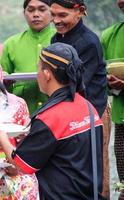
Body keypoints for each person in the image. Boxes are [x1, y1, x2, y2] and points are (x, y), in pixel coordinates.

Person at [0, 42, 105, 199]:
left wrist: (2, 138)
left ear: (47, 74)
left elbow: (21, 165)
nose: (37, 74)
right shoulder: (86, 105)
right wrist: (32, 136)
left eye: (38, 68)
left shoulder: (49, 117)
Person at [50, 1, 110, 198]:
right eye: (53, 14)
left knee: (92, 174)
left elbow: (73, 84)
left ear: (79, 12)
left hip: (90, 117)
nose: (56, 20)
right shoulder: (56, 38)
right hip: (67, 113)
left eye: (62, 15)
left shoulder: (89, 42)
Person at [0, 0, 55, 114]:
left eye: (42, 9)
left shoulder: (61, 40)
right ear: (24, 13)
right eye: (30, 10)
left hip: (55, 111)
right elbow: (1, 81)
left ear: (52, 12)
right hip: (21, 114)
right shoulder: (11, 44)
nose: (36, 14)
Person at [101, 0, 124, 199]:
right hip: (122, 119)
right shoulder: (110, 36)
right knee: (123, 183)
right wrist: (109, 83)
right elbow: (100, 77)